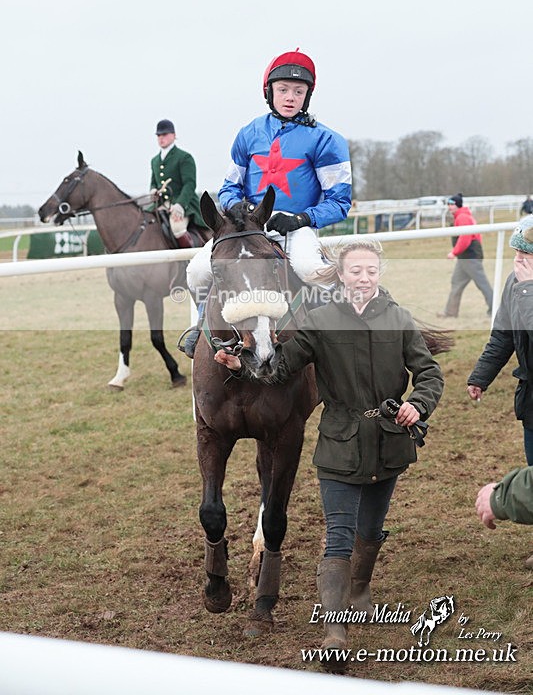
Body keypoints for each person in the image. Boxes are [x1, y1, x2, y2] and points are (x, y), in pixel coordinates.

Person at [215, 239, 444, 668]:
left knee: (371, 532)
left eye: (370, 271)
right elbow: (279, 369)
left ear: (379, 274)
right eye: (355, 271)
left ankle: (360, 589)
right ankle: (334, 631)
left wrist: (419, 403)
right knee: (338, 536)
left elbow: (429, 372)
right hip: (339, 442)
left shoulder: (398, 319)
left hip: (390, 441)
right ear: (341, 276)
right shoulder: (319, 322)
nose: (363, 278)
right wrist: (241, 365)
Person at [181, 49, 352, 358]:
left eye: (299, 92)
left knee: (310, 268)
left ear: (307, 96)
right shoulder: (248, 134)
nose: (290, 97)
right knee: (195, 272)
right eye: (283, 89)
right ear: (269, 92)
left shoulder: (328, 140)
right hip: (246, 227)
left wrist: (301, 219)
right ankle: (200, 327)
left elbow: (340, 202)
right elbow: (230, 187)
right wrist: (238, 210)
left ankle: (341, 336)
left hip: (294, 227)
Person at [467, 214, 533, 568]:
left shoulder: (523, 287)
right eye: (516, 255)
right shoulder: (516, 283)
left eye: (527, 257)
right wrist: (481, 375)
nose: (519, 263)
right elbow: (503, 336)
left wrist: (526, 289)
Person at [149, 119, 207, 248]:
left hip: (184, 204)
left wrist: (180, 205)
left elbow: (189, 184)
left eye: (164, 135)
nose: (161, 138)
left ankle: (187, 260)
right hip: (162, 203)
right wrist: (153, 190)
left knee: (177, 227)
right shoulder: (155, 161)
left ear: (173, 136)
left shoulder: (184, 157)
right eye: (159, 135)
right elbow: (153, 182)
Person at [437, 193, 493, 319]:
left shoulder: (462, 217)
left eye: (452, 204)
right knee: (456, 283)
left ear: (458, 205)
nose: (449, 207)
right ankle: (450, 313)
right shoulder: (462, 216)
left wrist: (454, 252)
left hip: (469, 256)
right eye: (448, 204)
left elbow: (465, 239)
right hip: (465, 257)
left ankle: (496, 310)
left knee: (482, 284)